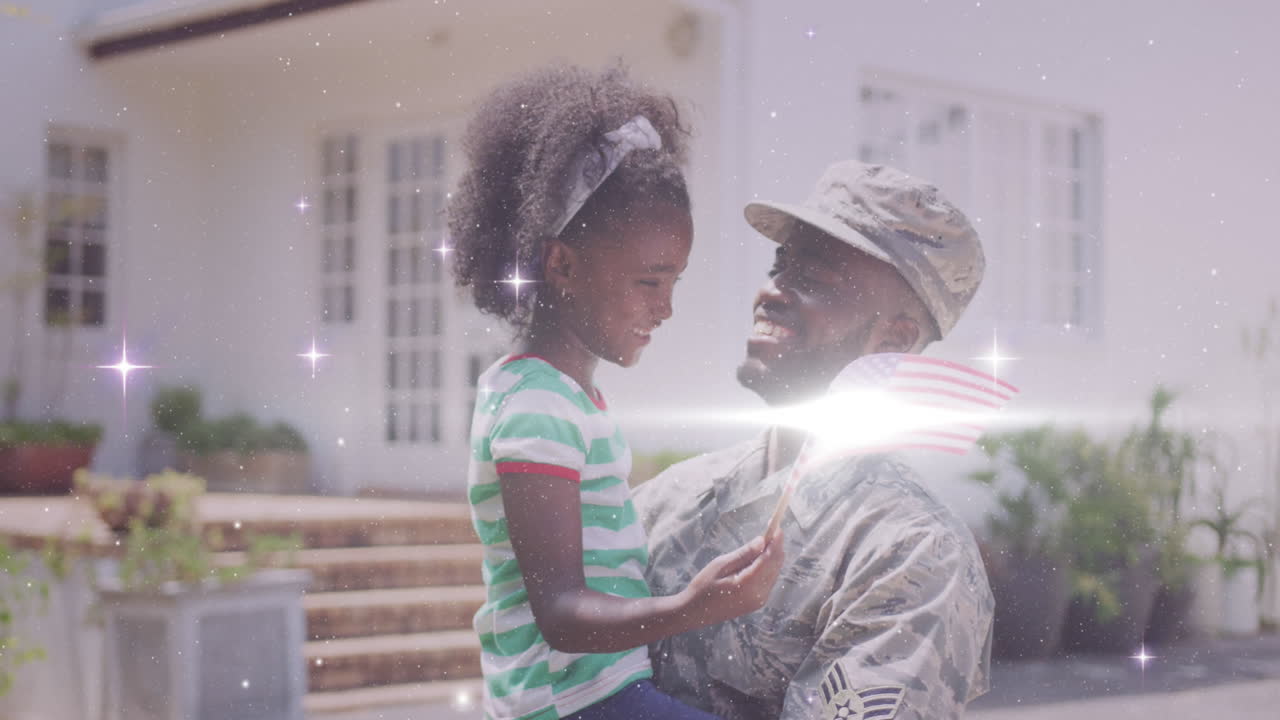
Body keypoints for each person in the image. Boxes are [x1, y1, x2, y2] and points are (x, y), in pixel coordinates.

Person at [447, 64, 786, 720]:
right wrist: (694, 608)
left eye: (675, 283)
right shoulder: (537, 405)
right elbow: (563, 618)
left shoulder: (566, 397)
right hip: (578, 704)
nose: (666, 309)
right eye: (648, 282)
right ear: (563, 265)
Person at [635, 161, 995, 720]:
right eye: (781, 265)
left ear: (893, 341)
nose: (772, 292)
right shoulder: (668, 500)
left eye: (816, 279)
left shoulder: (912, 553)